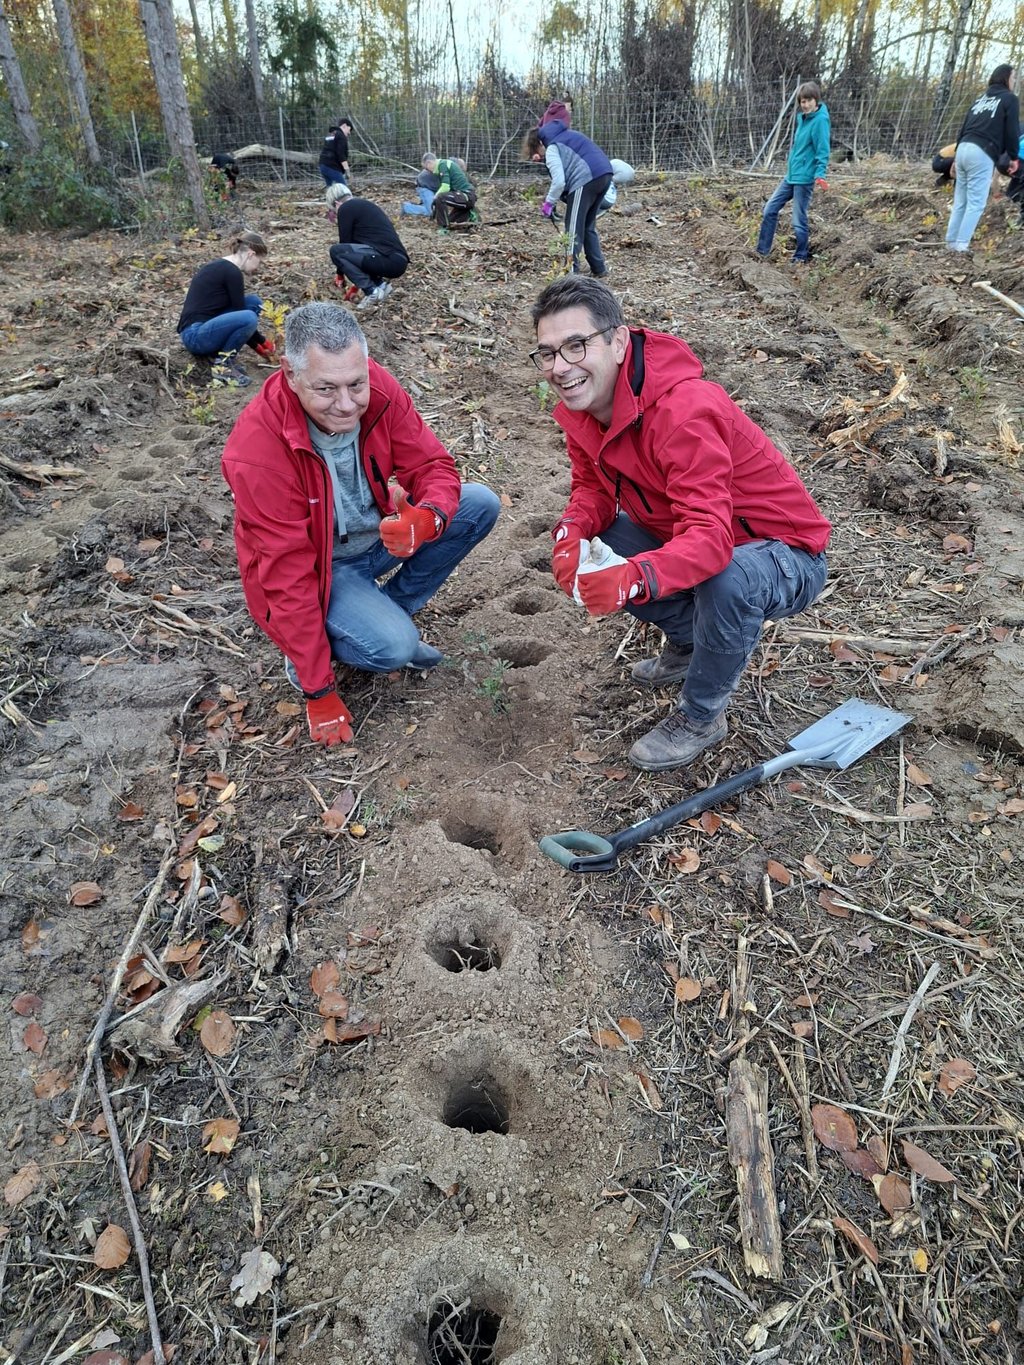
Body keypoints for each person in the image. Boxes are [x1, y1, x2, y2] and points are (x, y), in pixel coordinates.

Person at [531, 277, 831, 772]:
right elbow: (593, 490)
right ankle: (693, 644)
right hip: (700, 542)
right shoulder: (582, 410)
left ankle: (702, 715)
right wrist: (571, 532)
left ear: (619, 341)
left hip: (782, 554)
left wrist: (633, 577)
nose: (561, 368)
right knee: (602, 540)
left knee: (728, 577)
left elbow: (712, 540)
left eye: (576, 346)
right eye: (547, 354)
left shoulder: (682, 410)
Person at [220, 302, 500, 748]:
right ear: (290, 374)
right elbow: (287, 576)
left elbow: (432, 464)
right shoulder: (257, 452)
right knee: (392, 649)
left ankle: (389, 610)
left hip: (375, 539)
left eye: (356, 383)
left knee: (478, 504)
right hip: (321, 570)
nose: (347, 404)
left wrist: (429, 518)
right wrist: (319, 691)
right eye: (326, 389)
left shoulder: (379, 389)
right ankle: (325, 647)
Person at [176, 230, 275, 386]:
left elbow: (239, 310)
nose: (258, 267)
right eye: (259, 261)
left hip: (204, 329)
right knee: (248, 316)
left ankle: (219, 356)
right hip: (195, 336)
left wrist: (261, 345)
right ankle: (222, 365)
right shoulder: (232, 272)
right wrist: (261, 343)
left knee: (253, 302)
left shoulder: (224, 267)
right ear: (251, 254)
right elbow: (242, 316)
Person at [946, 64, 1020, 251]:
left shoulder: (980, 99)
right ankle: (962, 247)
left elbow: (963, 127)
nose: (1014, 82)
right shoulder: (1009, 99)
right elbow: (1012, 130)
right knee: (976, 203)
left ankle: (951, 243)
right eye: (1013, 78)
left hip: (963, 148)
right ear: (1006, 79)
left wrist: (956, 158)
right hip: (982, 151)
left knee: (961, 200)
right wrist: (1013, 156)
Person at [755, 81, 831, 264]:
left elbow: (823, 150)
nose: (805, 105)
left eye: (808, 100)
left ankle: (801, 256)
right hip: (791, 175)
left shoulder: (820, 121)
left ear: (816, 100)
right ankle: (762, 252)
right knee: (769, 209)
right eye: (802, 101)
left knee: (798, 219)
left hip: (804, 178)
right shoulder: (802, 118)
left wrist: (820, 174)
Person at [525, 124, 613, 277]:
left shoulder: (553, 147)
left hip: (585, 178)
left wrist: (548, 203)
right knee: (587, 225)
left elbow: (559, 182)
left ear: (540, 143)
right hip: (605, 174)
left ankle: (570, 273)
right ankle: (599, 269)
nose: (537, 154)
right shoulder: (569, 136)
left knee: (573, 229)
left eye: (535, 148)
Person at [326, 183, 409, 310]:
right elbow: (358, 253)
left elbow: (343, 245)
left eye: (334, 211)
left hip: (387, 259)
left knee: (336, 251)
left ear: (337, 204)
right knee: (353, 250)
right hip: (397, 261)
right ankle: (381, 286)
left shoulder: (346, 208)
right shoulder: (363, 206)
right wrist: (356, 284)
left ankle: (372, 291)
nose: (337, 214)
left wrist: (340, 275)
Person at [432, 156, 478, 231]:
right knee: (451, 222)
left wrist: (435, 197)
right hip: (465, 199)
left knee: (440, 197)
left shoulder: (443, 165)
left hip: (466, 197)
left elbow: (445, 188)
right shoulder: (457, 176)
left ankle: (443, 228)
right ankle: (470, 214)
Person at [319, 118, 352, 188]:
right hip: (332, 167)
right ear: (344, 126)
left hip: (323, 165)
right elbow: (341, 154)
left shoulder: (331, 134)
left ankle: (331, 198)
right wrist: (347, 170)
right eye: (349, 129)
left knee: (331, 190)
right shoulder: (341, 136)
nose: (349, 133)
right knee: (343, 189)